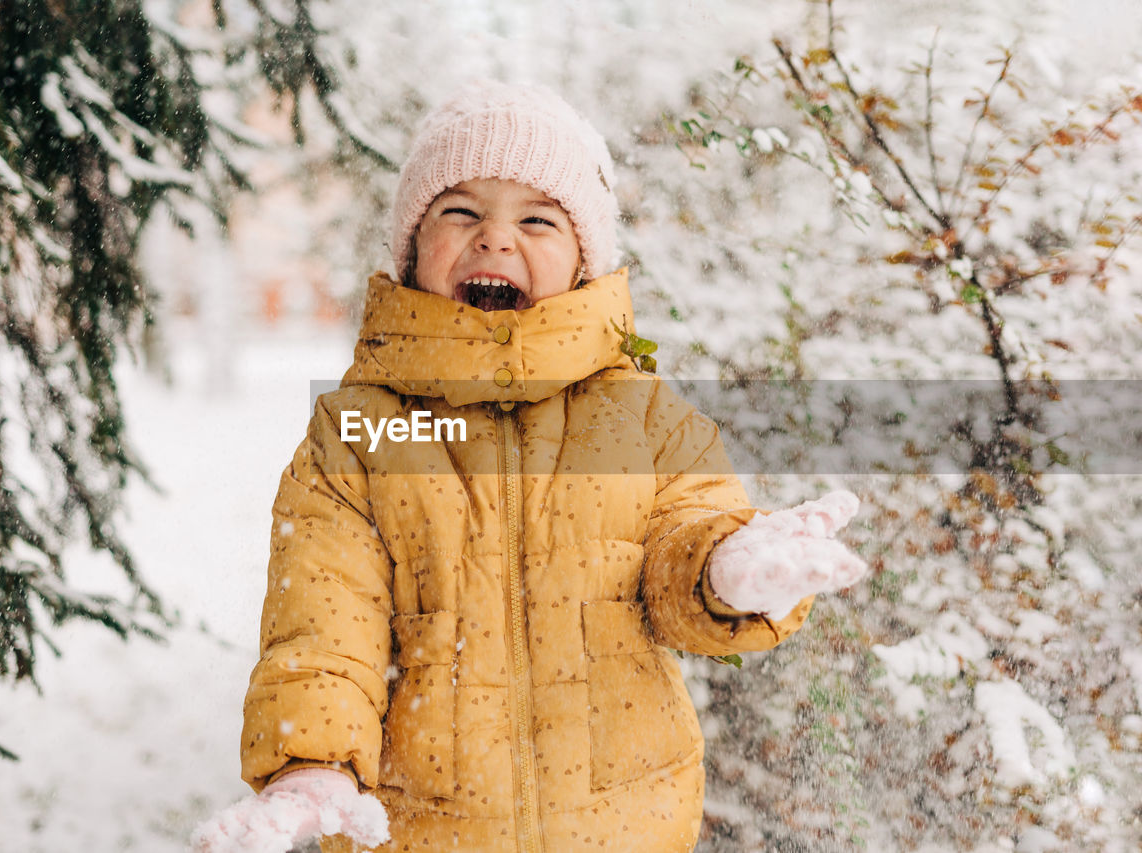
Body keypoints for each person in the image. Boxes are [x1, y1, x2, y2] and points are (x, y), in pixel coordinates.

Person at [191, 80, 867, 853]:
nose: (495, 239)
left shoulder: (643, 416)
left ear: (584, 261)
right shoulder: (355, 434)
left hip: (625, 830)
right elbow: (322, 625)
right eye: (460, 211)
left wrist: (725, 572)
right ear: (411, 250)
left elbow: (688, 540)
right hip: (423, 835)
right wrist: (312, 765)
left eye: (536, 219)